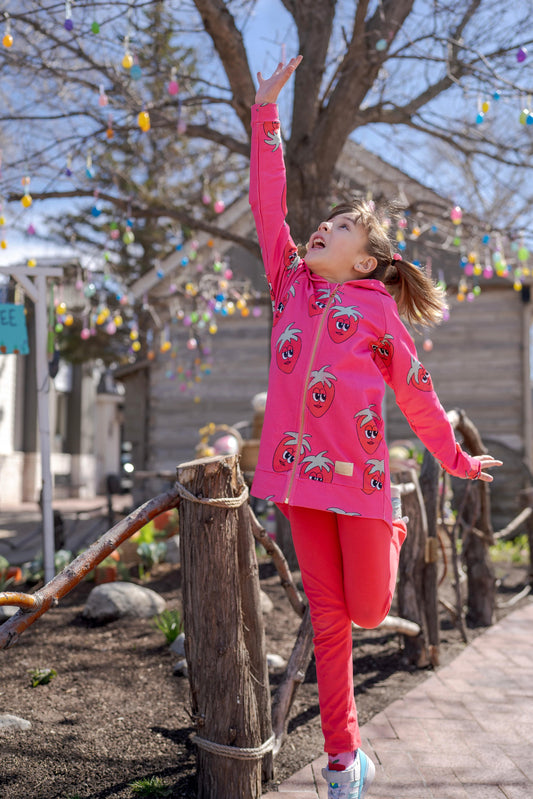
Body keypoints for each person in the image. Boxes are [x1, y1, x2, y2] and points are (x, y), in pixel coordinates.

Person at [249, 56, 502, 799]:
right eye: (321, 224)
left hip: (360, 488)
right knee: (330, 620)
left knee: (365, 609)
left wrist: (452, 457)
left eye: (338, 228)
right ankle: (341, 762)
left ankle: (392, 529)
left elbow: (417, 392)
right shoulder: (288, 281)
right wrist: (266, 110)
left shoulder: (377, 313)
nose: (318, 230)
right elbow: (268, 201)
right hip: (296, 480)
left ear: (365, 259)